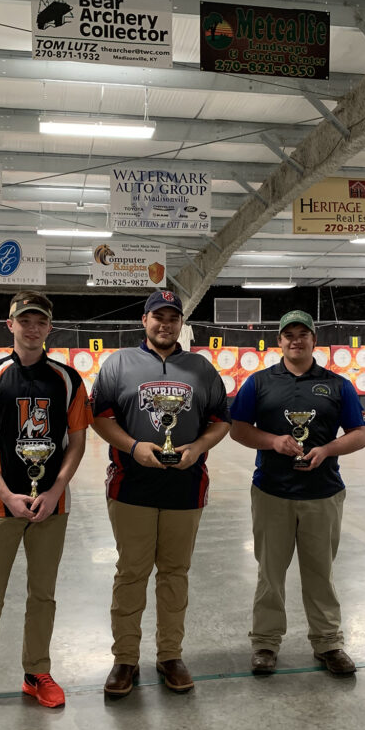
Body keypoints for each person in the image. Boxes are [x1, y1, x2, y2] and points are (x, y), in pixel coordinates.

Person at [0, 291, 93, 720]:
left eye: (40, 322)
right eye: (25, 321)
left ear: (50, 327)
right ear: (10, 324)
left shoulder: (69, 379)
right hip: (1, 505)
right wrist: (6, 495)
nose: (33, 328)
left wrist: (55, 491)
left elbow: (77, 442)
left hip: (52, 505)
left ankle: (36, 673)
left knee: (43, 594)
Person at [91, 289, 230, 697]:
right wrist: (133, 446)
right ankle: (125, 659)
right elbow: (99, 416)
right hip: (131, 485)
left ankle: (170, 655)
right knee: (131, 573)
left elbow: (221, 419)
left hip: (186, 486)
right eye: (158, 316)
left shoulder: (201, 369)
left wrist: (198, 447)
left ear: (181, 323)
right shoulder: (118, 364)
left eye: (173, 318)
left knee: (175, 574)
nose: (165, 324)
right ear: (144, 320)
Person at [229, 310, 365, 677]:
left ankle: (328, 643)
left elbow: (360, 434)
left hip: (323, 494)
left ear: (313, 340)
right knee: (270, 573)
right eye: (288, 334)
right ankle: (265, 643)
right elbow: (238, 429)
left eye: (302, 334)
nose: (296, 340)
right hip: (272, 493)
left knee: (320, 572)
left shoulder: (337, 385)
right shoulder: (259, 383)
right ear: (279, 341)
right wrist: (273, 441)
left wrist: (327, 450)